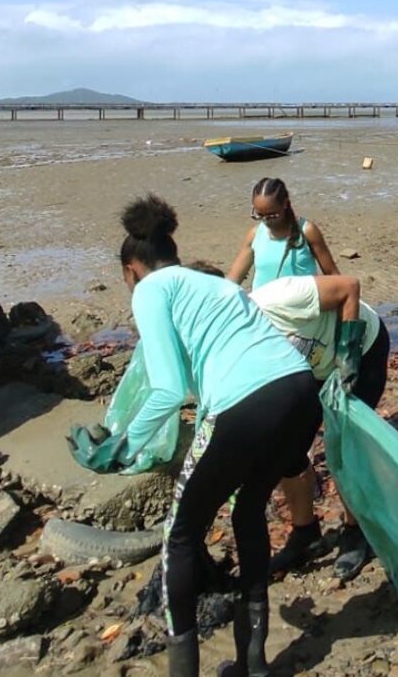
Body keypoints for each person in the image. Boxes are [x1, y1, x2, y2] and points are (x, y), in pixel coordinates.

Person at [115, 194, 322, 677]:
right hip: (298, 390)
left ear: (132, 268)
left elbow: (168, 389)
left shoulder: (151, 290)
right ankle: (254, 664)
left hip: (248, 401)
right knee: (248, 511)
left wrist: (124, 446)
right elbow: (209, 371)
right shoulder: (219, 287)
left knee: (180, 534)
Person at [248, 274, 390, 582]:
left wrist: (348, 352)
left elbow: (349, 287)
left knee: (345, 447)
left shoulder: (277, 300)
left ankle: (356, 532)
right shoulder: (233, 344)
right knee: (288, 449)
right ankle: (305, 533)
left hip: (362, 352)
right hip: (310, 369)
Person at [227, 177, 340, 288]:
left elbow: (332, 275)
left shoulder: (307, 231)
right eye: (259, 215)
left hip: (300, 304)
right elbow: (233, 280)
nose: (266, 221)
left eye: (272, 215)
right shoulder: (255, 235)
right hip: (263, 304)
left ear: (285, 204)